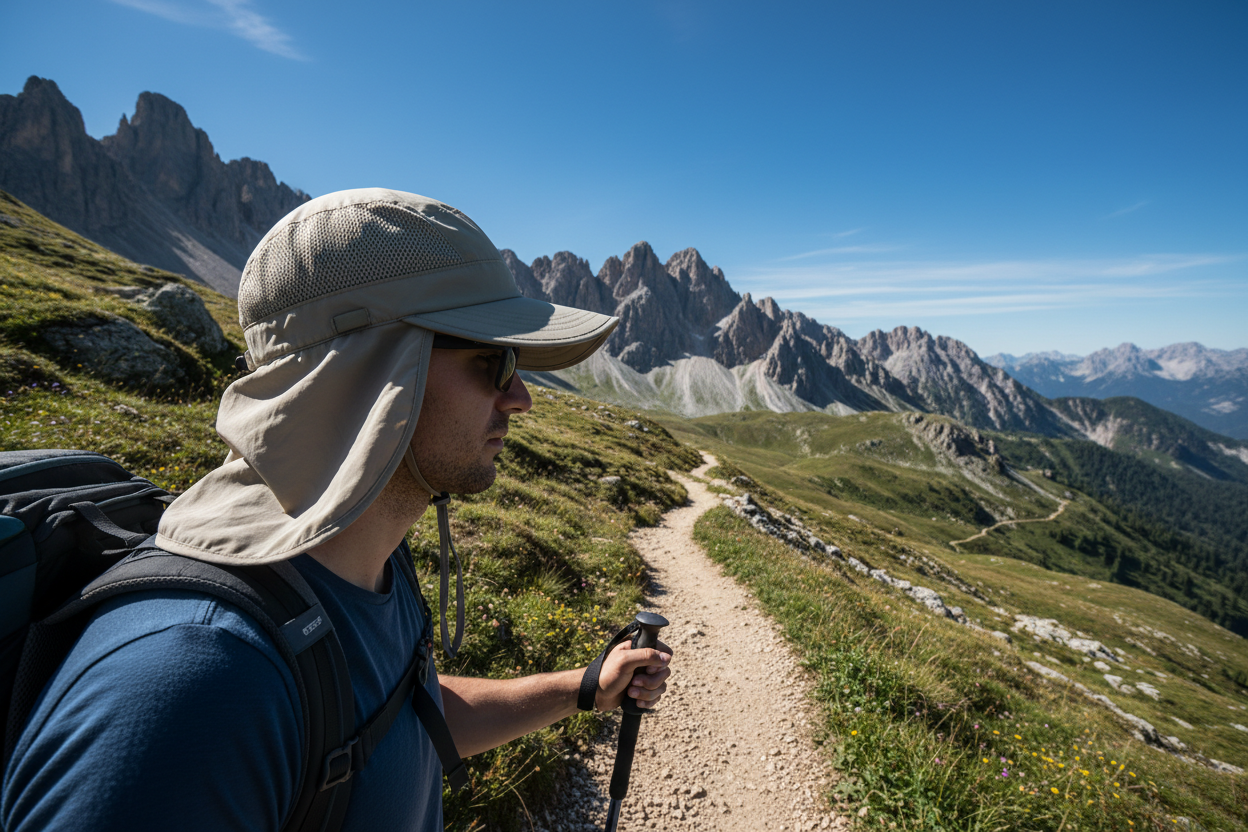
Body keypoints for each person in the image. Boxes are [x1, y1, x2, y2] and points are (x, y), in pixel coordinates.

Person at [1, 189, 673, 831]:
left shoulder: (367, 560)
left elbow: (401, 714)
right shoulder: (191, 687)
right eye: (492, 361)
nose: (521, 397)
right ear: (371, 368)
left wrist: (582, 688)